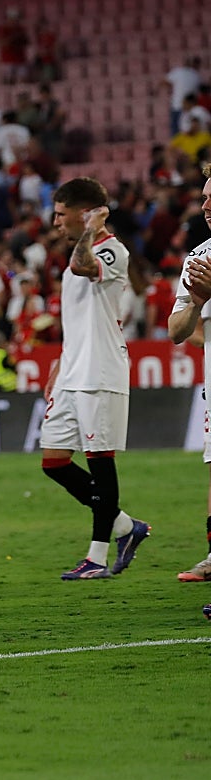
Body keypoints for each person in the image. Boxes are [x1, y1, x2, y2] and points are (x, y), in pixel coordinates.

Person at [40, 177, 150, 580]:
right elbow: (80, 317)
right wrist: (59, 360)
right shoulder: (78, 252)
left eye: (60, 213)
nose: (54, 222)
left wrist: (90, 229)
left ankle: (97, 558)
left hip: (100, 370)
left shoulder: (111, 251)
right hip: (72, 369)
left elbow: (82, 266)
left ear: (85, 213)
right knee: (53, 462)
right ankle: (126, 527)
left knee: (100, 463)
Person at [167, 163, 211, 585]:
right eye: (204, 198)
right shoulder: (199, 257)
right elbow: (177, 331)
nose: (207, 206)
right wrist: (198, 302)